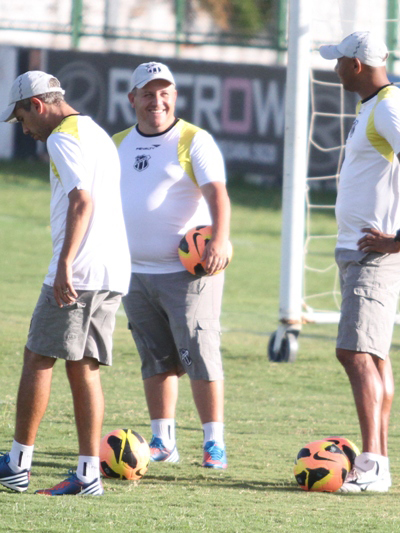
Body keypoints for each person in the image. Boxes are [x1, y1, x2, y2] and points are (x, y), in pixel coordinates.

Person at [0, 71, 130, 496]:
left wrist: (65, 265)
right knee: (83, 369)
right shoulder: (95, 131)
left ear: (38, 105)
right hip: (112, 270)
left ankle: (18, 463)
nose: (25, 130)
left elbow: (81, 200)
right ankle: (88, 474)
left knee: (37, 355)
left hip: (80, 270)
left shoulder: (61, 138)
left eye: (22, 119)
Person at [319, 32, 400, 492]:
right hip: (357, 251)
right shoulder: (373, 105)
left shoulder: (389, 106)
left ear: (357, 65)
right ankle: (378, 459)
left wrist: (399, 239)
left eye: (339, 60)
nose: (334, 68)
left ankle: (372, 465)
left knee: (354, 352)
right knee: (374, 355)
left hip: (373, 256)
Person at [113, 62, 232, 469]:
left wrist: (220, 238)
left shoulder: (194, 140)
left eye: (165, 93)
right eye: (148, 93)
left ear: (175, 97)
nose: (156, 101)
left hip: (189, 272)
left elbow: (218, 194)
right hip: (134, 272)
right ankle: (163, 440)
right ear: (132, 99)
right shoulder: (117, 144)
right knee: (156, 358)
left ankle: (214, 442)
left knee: (199, 352)